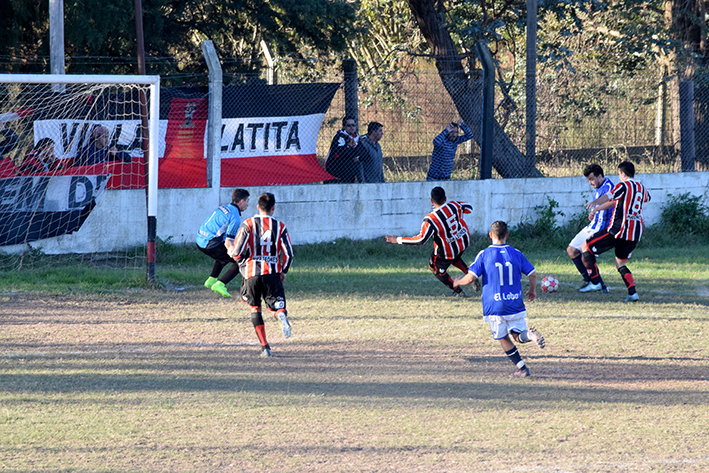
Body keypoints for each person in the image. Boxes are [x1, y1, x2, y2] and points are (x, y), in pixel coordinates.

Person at [453, 221, 545, 378]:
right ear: (507, 235)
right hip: (515, 302)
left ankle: (522, 368)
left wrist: (458, 282)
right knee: (518, 335)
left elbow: (470, 278)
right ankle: (529, 336)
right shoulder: (516, 253)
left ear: (490, 235)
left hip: (495, 306)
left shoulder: (484, 254)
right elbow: (533, 274)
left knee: (503, 337)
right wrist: (532, 290)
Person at [230, 192, 294, 357]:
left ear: (257, 207)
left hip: (252, 273)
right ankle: (281, 315)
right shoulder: (280, 226)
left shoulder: (248, 224)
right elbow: (289, 254)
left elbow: (237, 252)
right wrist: (283, 272)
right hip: (272, 273)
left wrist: (242, 264)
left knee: (255, 308)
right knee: (277, 306)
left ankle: (265, 347)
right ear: (273, 208)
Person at [581, 161, 651, 302]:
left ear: (623, 174)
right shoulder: (641, 187)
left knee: (586, 246)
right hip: (635, 233)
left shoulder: (623, 185)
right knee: (620, 263)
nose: (619, 176)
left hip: (618, 230)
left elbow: (610, 196)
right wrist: (597, 209)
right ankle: (632, 293)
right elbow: (647, 198)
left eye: (619, 174)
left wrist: (595, 203)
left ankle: (595, 282)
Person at [385, 186, 474, 297]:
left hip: (446, 250)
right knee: (454, 256)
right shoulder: (454, 205)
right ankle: (470, 274)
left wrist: (397, 240)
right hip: (462, 243)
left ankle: (459, 292)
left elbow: (421, 240)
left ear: (431, 201)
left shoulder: (431, 219)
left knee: (435, 268)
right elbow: (469, 208)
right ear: (445, 198)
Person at [196, 188, 251, 298]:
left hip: (199, 239)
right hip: (209, 244)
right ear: (241, 201)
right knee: (242, 260)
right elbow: (228, 241)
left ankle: (211, 280)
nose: (248, 205)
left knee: (223, 255)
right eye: (247, 201)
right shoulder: (235, 217)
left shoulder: (225, 207)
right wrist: (235, 253)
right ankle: (220, 284)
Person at [568, 164, 613, 293]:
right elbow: (598, 205)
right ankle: (589, 279)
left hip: (601, 228)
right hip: (592, 225)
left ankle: (599, 284)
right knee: (571, 250)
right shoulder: (599, 188)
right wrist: (593, 212)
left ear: (600, 176)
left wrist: (596, 206)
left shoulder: (609, 186)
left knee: (585, 254)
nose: (590, 182)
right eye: (588, 179)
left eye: (592, 179)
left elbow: (613, 201)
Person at [325, 116, 365, 183]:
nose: (352, 127)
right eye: (349, 125)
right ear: (344, 127)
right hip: (335, 175)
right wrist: (354, 151)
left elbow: (364, 153)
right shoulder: (339, 136)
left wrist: (355, 149)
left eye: (353, 125)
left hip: (349, 175)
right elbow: (343, 152)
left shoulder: (356, 138)